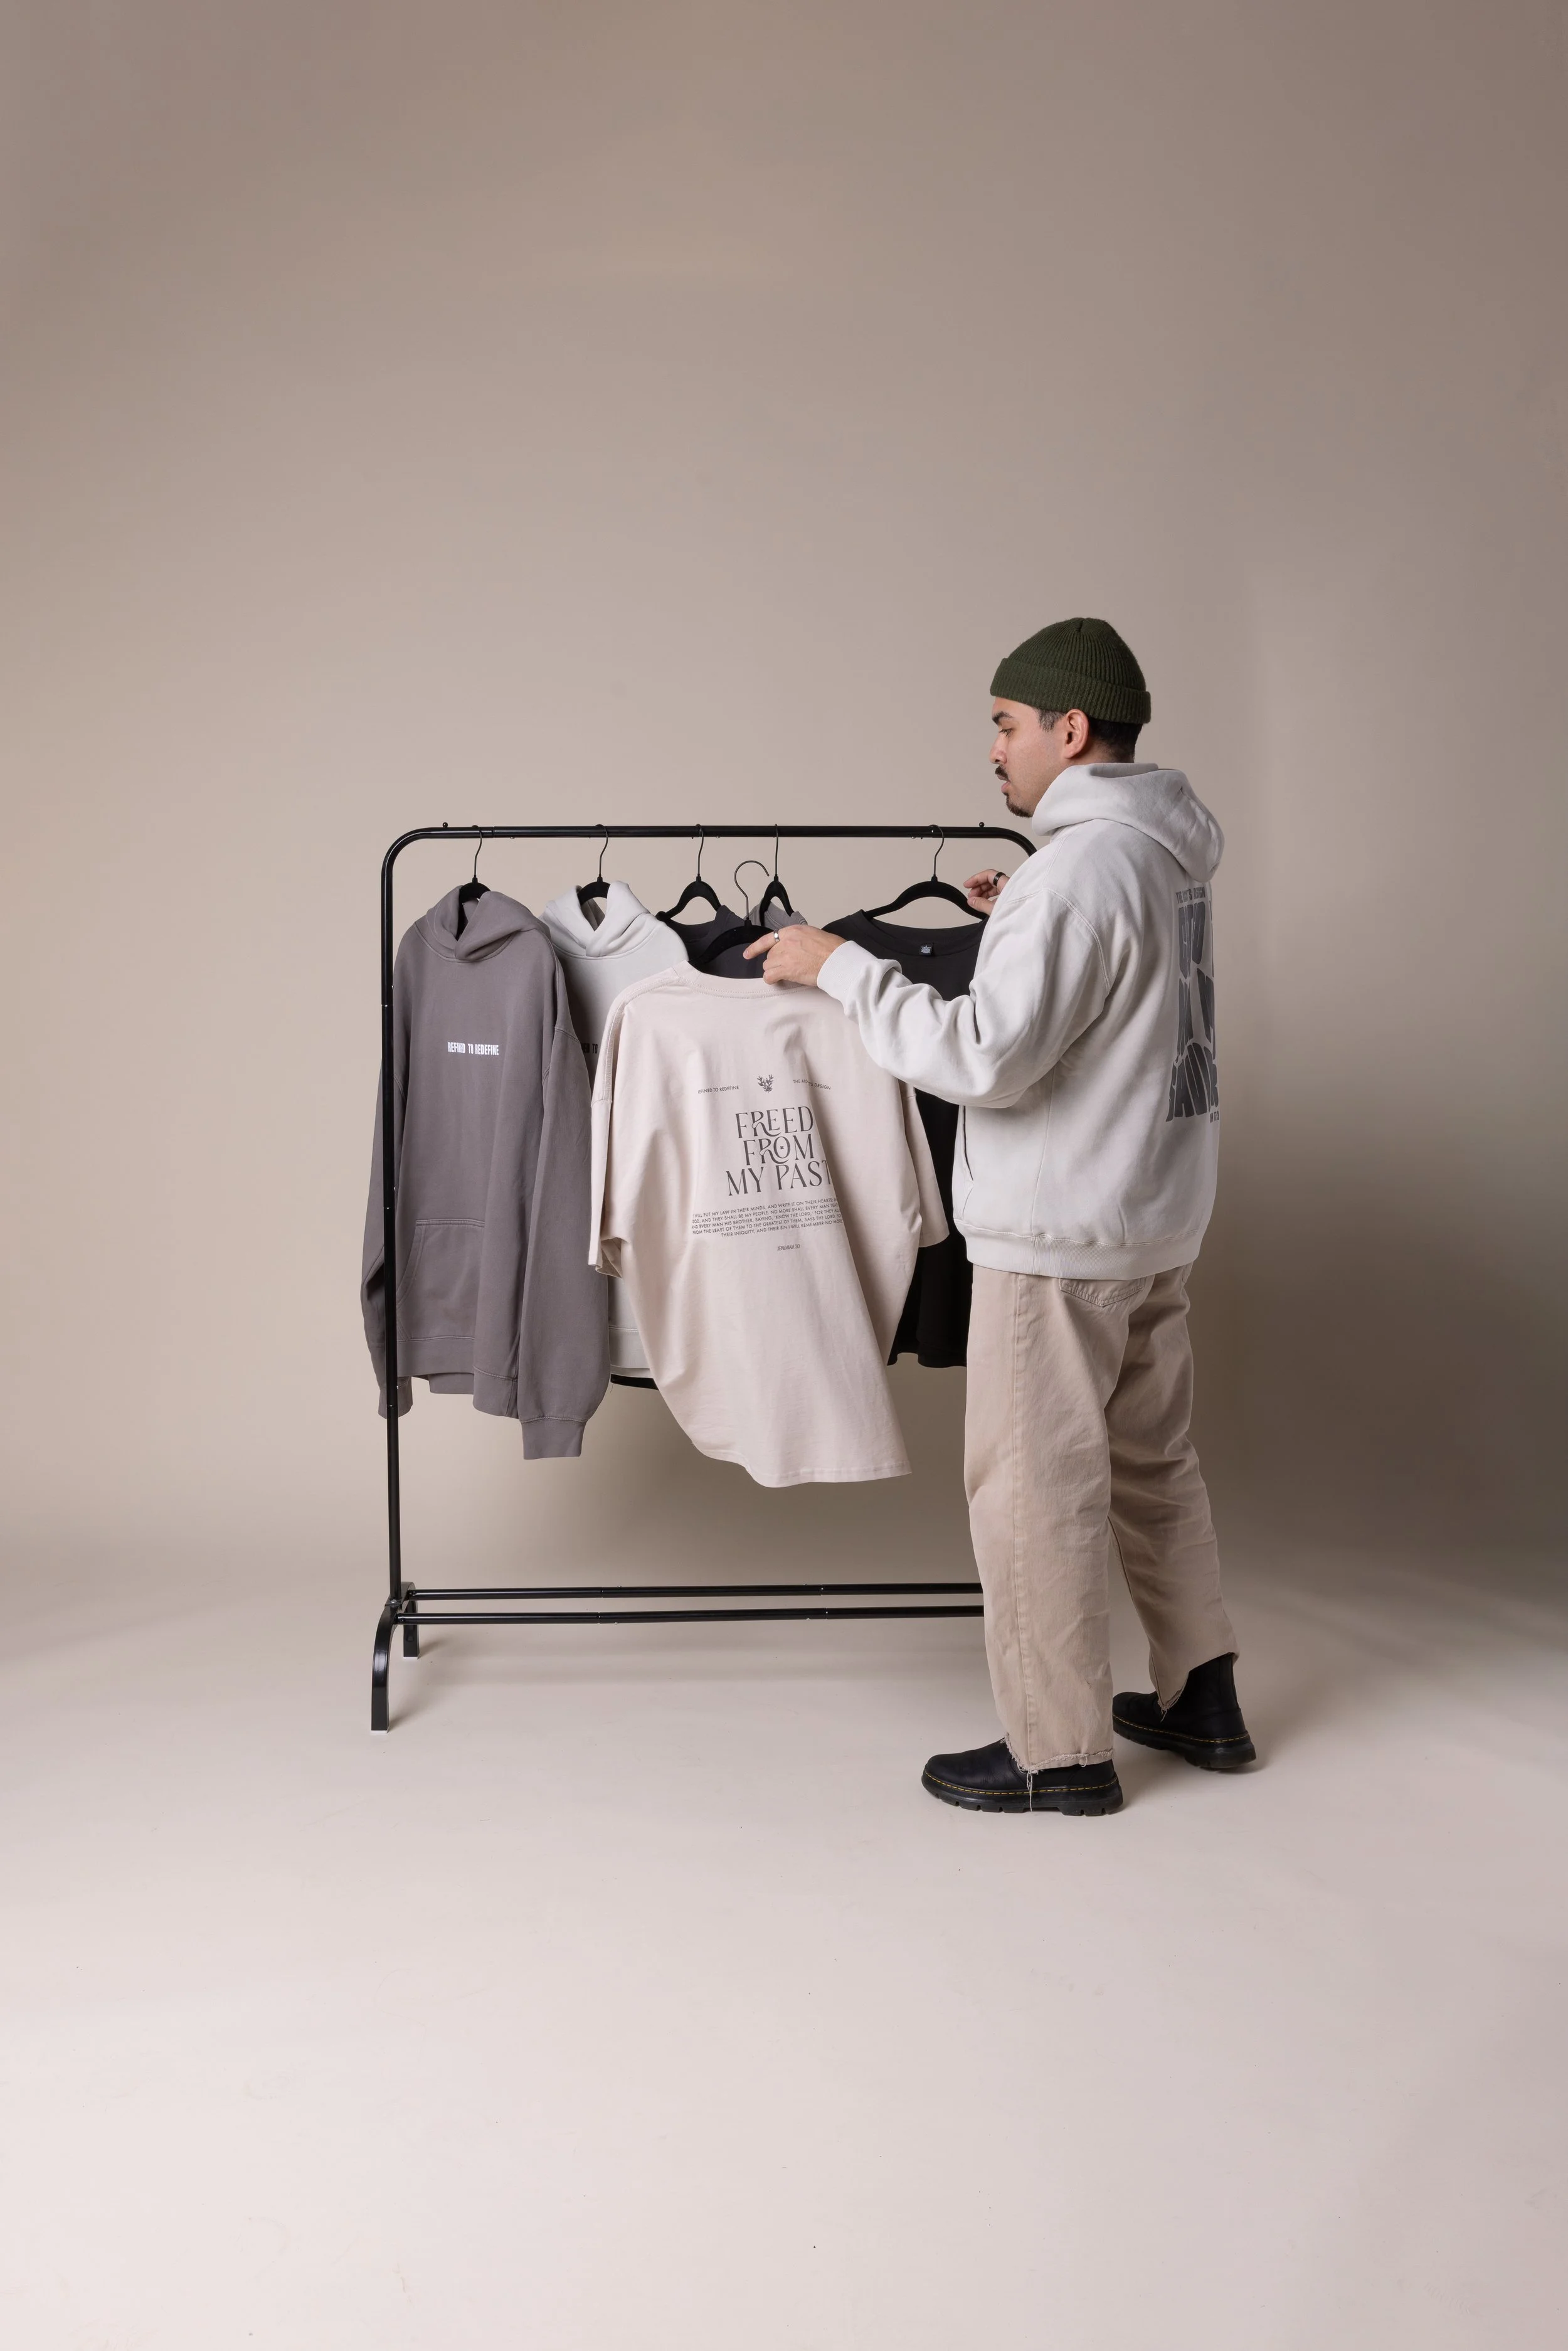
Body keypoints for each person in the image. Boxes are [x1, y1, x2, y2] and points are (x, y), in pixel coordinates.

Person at [743, 616, 1254, 1816]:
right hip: (1152, 1222)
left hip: (1057, 1236)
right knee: (1151, 1466)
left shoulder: (1078, 876)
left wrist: (841, 966)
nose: (996, 750)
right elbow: (1120, 1005)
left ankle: (1055, 1753)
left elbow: (983, 1058)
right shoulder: (1159, 860)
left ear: (1070, 730)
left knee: (1033, 1488)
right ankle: (1203, 1697)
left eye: (1007, 725)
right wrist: (1024, 910)